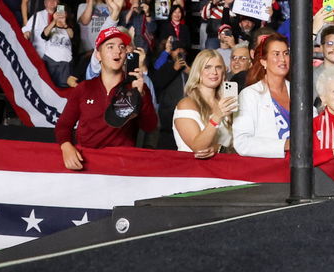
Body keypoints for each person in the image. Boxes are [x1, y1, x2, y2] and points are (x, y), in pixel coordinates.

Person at [56, 26, 156, 167]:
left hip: (122, 165)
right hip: (87, 162)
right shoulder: (83, 88)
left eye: (122, 47)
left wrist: (141, 95)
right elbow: (63, 125)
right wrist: (66, 147)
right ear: (98, 55)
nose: (118, 51)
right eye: (110, 47)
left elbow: (149, 126)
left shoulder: (137, 87)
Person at [233, 33, 292, 157]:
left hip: (302, 167)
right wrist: (285, 145)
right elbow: (242, 143)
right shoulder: (250, 95)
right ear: (263, 61)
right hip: (268, 170)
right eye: (276, 54)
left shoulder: (299, 91)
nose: (283, 59)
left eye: (286, 53)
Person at [173, 48, 239, 157]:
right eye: (207, 67)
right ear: (198, 71)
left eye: (218, 67)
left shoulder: (226, 103)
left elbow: (239, 144)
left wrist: (219, 148)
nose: (214, 72)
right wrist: (217, 116)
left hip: (226, 169)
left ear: (223, 72)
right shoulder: (186, 105)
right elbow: (199, 148)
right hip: (195, 171)